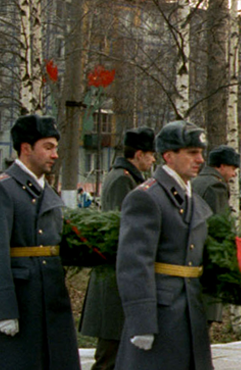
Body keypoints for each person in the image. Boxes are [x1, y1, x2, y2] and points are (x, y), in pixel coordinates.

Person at [0, 114, 80, 370]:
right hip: (22, 300)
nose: (55, 155)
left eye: (55, 147)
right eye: (48, 147)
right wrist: (3, 309)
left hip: (51, 296)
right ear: (25, 148)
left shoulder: (45, 190)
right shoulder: (0, 189)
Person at [114, 120, 214, 370]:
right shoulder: (147, 197)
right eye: (192, 153)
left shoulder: (194, 200)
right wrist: (141, 323)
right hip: (161, 315)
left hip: (189, 310)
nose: (200, 159)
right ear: (168, 156)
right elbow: (134, 262)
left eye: (200, 153)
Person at [79, 127, 156, 370]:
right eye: (151, 154)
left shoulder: (127, 176)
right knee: (108, 358)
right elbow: (122, 229)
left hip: (118, 279)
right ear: (139, 154)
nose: (153, 159)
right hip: (113, 281)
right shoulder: (123, 179)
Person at [191, 145, 240, 325]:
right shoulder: (215, 186)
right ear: (221, 166)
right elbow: (219, 228)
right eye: (233, 168)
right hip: (208, 265)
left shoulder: (195, 182)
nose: (234, 174)